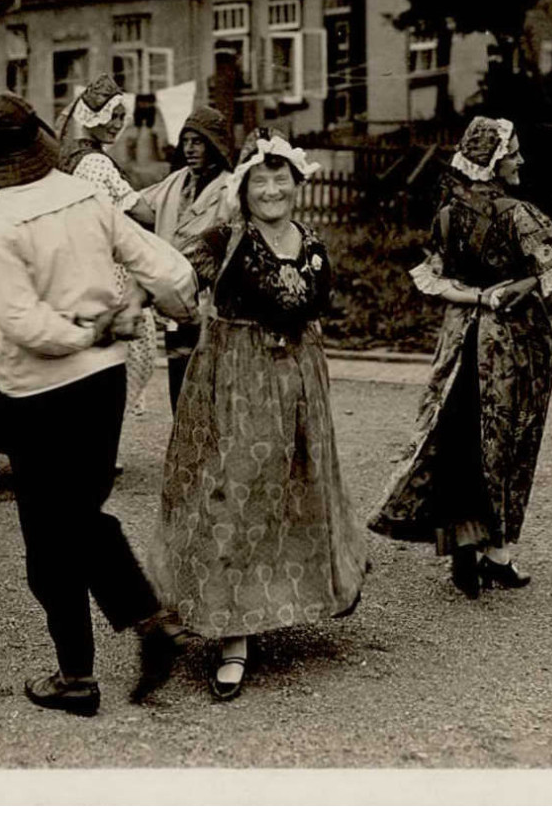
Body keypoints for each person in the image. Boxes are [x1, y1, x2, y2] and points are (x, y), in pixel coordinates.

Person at [0, 94, 198, 717]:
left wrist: (81, 333)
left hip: (38, 391)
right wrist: (155, 307)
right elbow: (170, 267)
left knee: (51, 536)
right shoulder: (87, 195)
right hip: (103, 385)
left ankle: (93, 664)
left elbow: (19, 322)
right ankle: (137, 629)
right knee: (79, 515)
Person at [154, 128, 367, 701]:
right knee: (233, 492)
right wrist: (181, 318)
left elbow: (310, 300)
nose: (271, 189)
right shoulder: (223, 239)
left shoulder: (311, 239)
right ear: (242, 187)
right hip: (235, 378)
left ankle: (284, 601)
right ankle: (232, 635)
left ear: (298, 184)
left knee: (292, 488)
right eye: (260, 179)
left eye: (282, 178)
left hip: (297, 378)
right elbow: (171, 278)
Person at [368, 116, 552, 599]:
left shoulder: (449, 211)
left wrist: (477, 297)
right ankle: (497, 553)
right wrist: (527, 283)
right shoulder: (518, 213)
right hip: (511, 342)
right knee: (508, 440)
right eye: (513, 152)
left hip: (460, 338)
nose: (520, 160)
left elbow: (437, 280)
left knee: (459, 433)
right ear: (494, 162)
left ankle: (465, 542)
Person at [55, 75, 162, 421]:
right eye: (111, 117)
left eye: (121, 118)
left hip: (73, 262)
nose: (117, 126)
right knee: (131, 348)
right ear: (92, 116)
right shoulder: (96, 163)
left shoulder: (68, 155)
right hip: (104, 266)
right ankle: (104, 438)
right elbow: (141, 211)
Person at [137, 105, 236, 410]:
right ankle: (182, 449)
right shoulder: (177, 180)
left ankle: (209, 451)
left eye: (198, 141)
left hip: (211, 302)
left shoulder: (230, 188)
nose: (190, 149)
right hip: (175, 298)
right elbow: (141, 207)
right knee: (179, 379)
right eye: (186, 141)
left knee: (209, 380)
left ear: (215, 145)